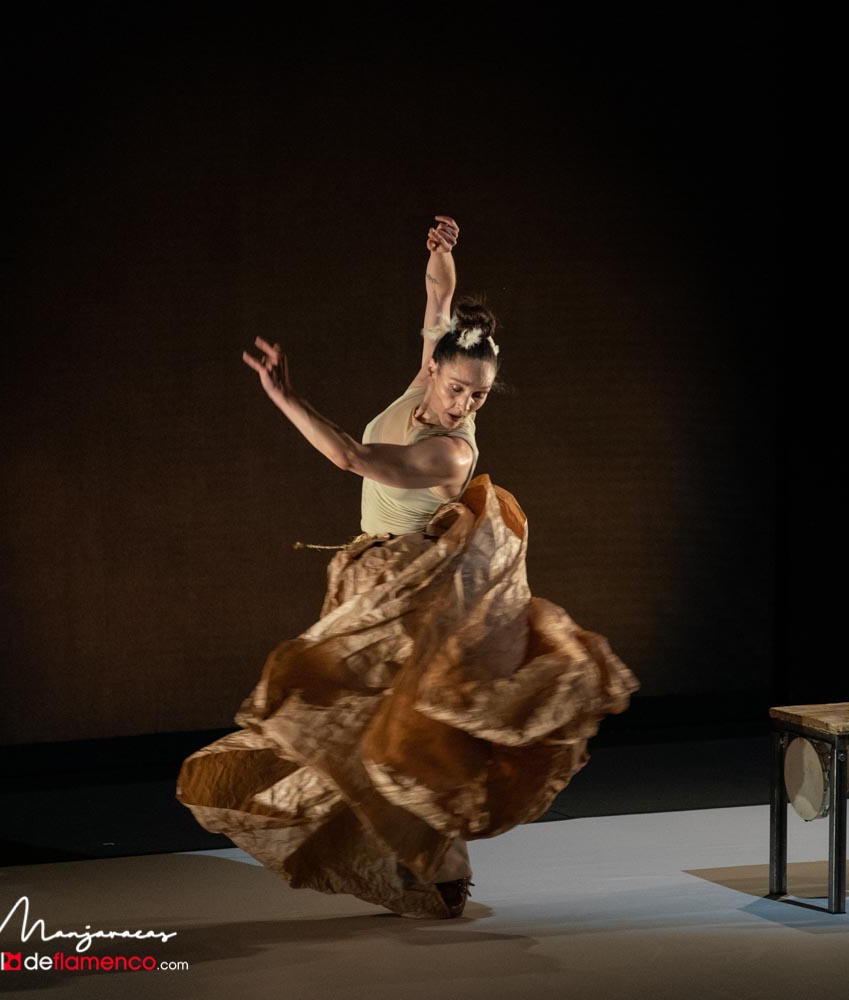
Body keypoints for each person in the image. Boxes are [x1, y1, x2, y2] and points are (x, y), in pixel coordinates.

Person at [176, 215, 639, 919]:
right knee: (359, 725)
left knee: (399, 732)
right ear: (432, 367)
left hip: (413, 590)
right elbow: (438, 302)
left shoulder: (452, 451)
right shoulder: (431, 366)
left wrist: (284, 396)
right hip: (370, 577)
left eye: (480, 395)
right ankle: (416, 854)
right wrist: (443, 254)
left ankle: (440, 862)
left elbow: (352, 459)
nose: (467, 403)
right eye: (459, 388)